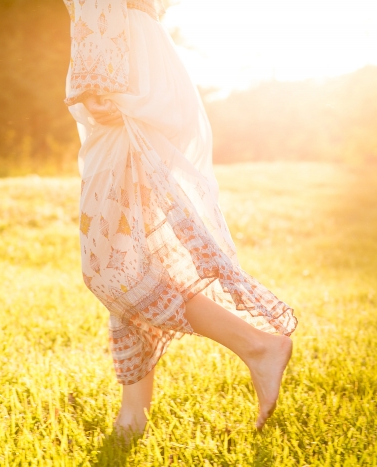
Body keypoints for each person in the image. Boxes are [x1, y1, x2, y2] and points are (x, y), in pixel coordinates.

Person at [62, 0, 298, 434]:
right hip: (130, 68)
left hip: (121, 77)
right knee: (130, 253)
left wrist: (98, 82)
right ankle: (133, 415)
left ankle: (257, 346)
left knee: (110, 270)